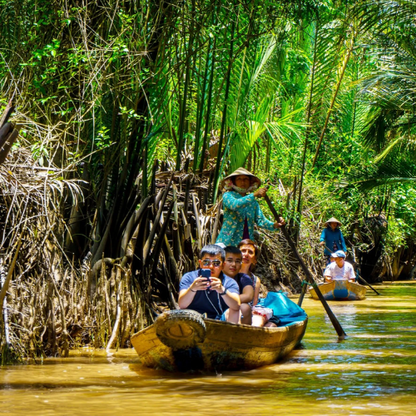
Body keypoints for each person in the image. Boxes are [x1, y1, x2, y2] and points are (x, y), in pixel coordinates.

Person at [215, 167, 285, 247]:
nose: (242, 182)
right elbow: (235, 205)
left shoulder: (253, 202)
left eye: (245, 179)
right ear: (233, 182)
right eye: (239, 179)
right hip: (228, 241)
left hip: (246, 243)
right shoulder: (228, 195)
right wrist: (254, 194)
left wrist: (275, 225)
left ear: (250, 182)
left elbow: (261, 220)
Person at [178, 244, 241, 323]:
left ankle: (230, 335)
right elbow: (182, 304)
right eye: (206, 262)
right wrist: (192, 289)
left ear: (223, 265)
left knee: (234, 311)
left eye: (216, 263)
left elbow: (236, 306)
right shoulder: (189, 277)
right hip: (192, 318)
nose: (211, 266)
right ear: (200, 263)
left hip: (220, 320)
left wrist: (222, 290)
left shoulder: (229, 282)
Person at [237, 239, 278, 327]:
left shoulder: (256, 280)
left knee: (270, 325)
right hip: (234, 309)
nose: (246, 254)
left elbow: (254, 304)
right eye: (243, 251)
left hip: (248, 313)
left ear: (254, 260)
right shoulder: (230, 273)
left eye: (250, 252)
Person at [222, 246, 254, 325]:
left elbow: (248, 295)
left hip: (234, 310)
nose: (233, 264)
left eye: (237, 261)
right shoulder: (215, 276)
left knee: (245, 307)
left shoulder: (243, 278)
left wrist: (229, 300)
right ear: (222, 262)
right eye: (230, 260)